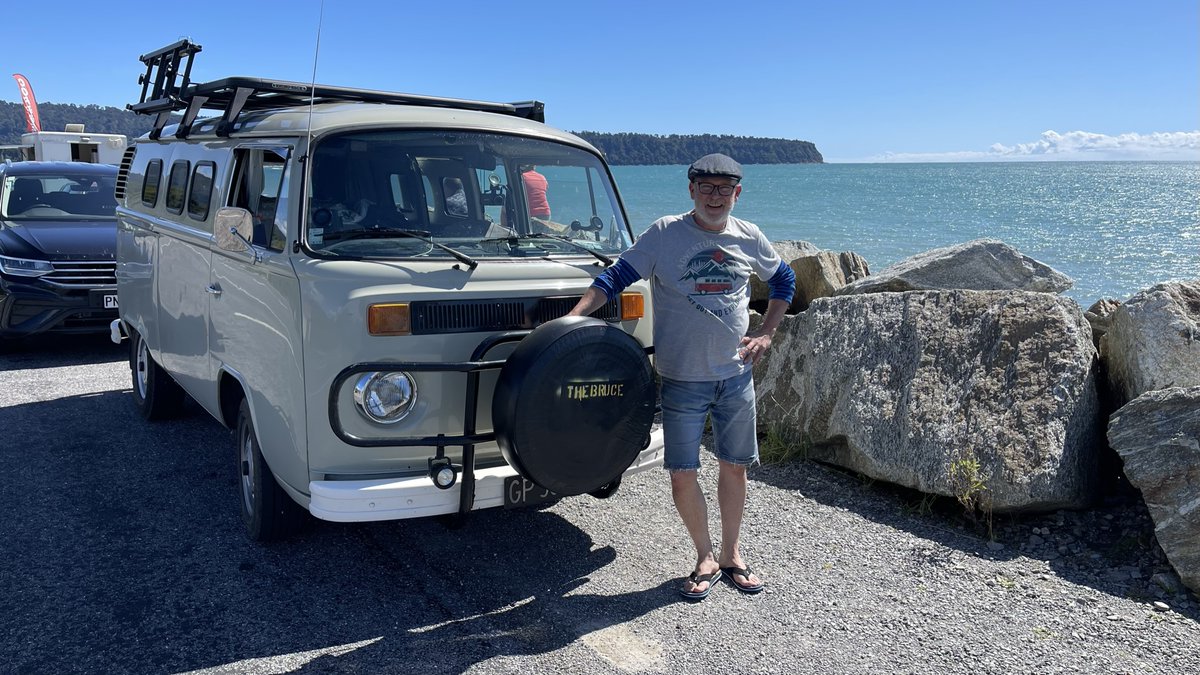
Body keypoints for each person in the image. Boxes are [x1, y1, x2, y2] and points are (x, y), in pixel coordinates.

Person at [567, 153, 795, 601]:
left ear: (737, 192)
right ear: (691, 190)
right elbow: (614, 279)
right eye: (706, 187)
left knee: (735, 467)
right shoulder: (665, 234)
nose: (715, 196)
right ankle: (704, 556)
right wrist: (571, 320)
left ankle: (731, 554)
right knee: (681, 473)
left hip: (735, 376)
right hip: (681, 379)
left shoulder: (749, 237)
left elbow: (784, 281)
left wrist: (767, 333)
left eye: (724, 188)